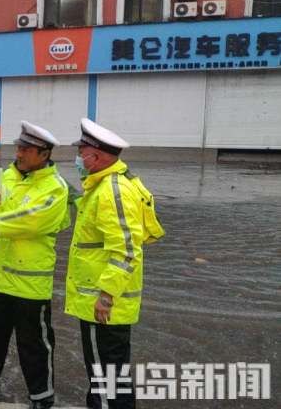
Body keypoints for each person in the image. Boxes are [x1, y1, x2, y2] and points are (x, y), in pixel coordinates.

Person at [0, 121, 70, 409]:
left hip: (29, 285)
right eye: (18, 147)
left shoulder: (55, 189)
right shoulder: (5, 175)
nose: (18, 154)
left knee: (34, 345)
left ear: (44, 154)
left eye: (26, 150)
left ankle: (42, 398)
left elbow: (24, 222)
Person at [66, 118, 164, 409]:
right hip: (104, 301)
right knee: (113, 376)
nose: (78, 158)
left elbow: (126, 250)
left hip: (103, 305)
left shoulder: (112, 191)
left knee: (104, 380)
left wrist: (106, 296)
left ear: (95, 157)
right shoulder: (107, 185)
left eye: (81, 151)